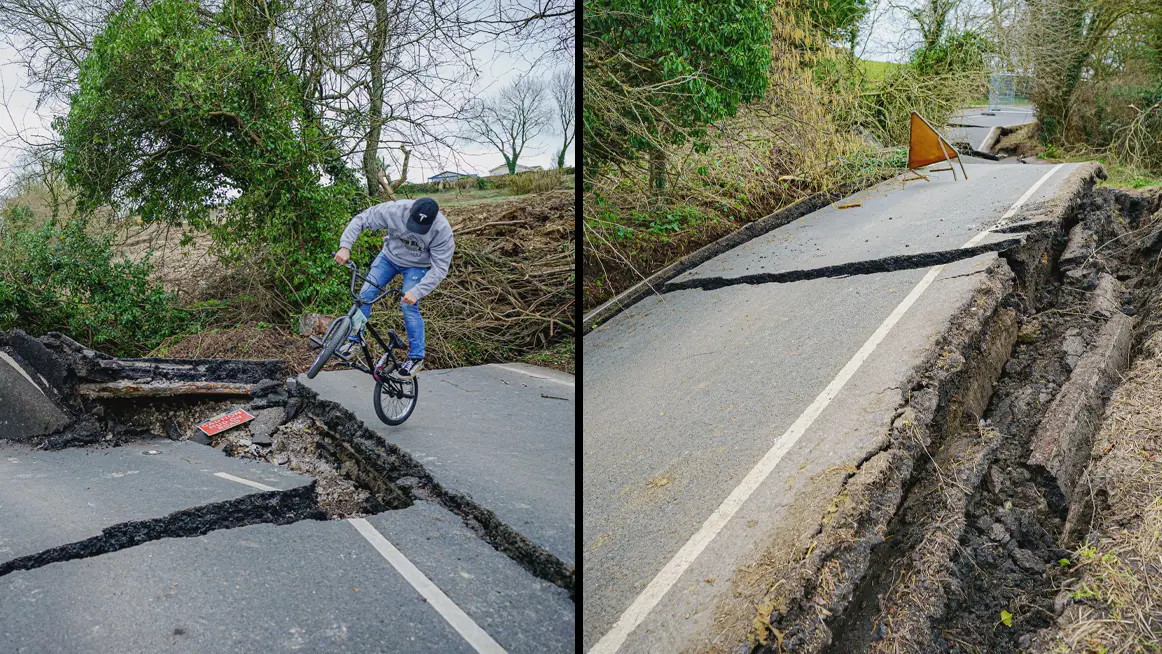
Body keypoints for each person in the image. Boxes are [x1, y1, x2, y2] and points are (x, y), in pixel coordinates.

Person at [333, 196, 454, 377]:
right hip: (389, 258)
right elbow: (361, 219)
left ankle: (416, 358)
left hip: (418, 266)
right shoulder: (393, 210)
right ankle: (354, 341)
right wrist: (345, 246)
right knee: (365, 295)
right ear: (410, 209)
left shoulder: (442, 230)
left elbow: (440, 268)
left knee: (408, 305)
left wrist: (417, 291)